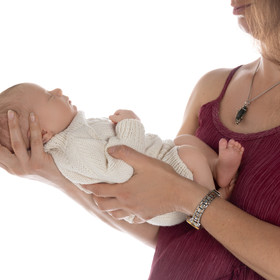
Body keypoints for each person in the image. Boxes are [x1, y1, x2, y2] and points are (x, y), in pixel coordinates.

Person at [0, 0, 280, 279]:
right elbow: (166, 227)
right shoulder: (212, 87)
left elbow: (178, 196)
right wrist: (53, 170)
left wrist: (186, 195)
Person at [0, 83, 243, 226]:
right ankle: (214, 198)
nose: (58, 89)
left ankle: (213, 171)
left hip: (158, 172)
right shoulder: (74, 148)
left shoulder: (75, 135)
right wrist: (129, 124)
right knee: (191, 156)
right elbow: (123, 166)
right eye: (50, 96)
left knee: (184, 142)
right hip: (161, 197)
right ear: (43, 134)